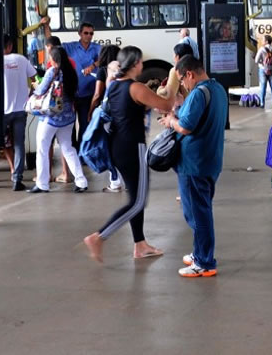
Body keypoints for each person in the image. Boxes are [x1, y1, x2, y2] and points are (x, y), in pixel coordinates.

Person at [83, 46, 175, 262]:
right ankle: (99, 237)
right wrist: (172, 79)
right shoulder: (136, 88)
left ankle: (140, 244)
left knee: (135, 195)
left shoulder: (114, 85)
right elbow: (167, 104)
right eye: (141, 61)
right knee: (138, 201)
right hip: (133, 147)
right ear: (135, 64)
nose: (142, 65)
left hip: (117, 147)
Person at [160, 55, 228, 278]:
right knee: (201, 208)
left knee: (197, 214)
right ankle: (200, 252)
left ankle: (204, 262)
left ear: (189, 74)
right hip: (210, 160)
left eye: (181, 79)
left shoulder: (199, 93)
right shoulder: (217, 89)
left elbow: (186, 127)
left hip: (194, 163)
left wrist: (171, 121)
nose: (182, 84)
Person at [0, 34, 36, 190]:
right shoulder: (22, 59)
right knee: (18, 144)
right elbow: (34, 78)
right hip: (20, 110)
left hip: (1, 111)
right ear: (10, 45)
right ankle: (17, 179)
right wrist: (30, 95)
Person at [28, 47, 89, 194]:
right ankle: (81, 181)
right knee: (68, 149)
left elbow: (40, 91)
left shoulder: (52, 72)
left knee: (42, 149)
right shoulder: (71, 73)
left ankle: (42, 184)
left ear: (53, 59)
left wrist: (35, 87)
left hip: (51, 118)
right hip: (68, 118)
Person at [63, 22, 102, 157]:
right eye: (86, 33)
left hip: (88, 94)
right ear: (79, 33)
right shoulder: (71, 47)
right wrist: (46, 27)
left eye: (91, 33)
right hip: (72, 94)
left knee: (85, 124)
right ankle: (72, 153)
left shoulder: (97, 48)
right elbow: (53, 47)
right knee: (70, 126)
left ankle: (83, 153)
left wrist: (93, 65)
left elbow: (106, 58)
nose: (89, 36)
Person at [89, 44, 124, 193]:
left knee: (109, 148)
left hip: (108, 114)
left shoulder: (103, 71)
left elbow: (97, 95)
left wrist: (90, 111)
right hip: (122, 113)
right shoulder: (124, 71)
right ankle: (127, 180)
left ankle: (115, 182)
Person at [255, 34, 272, 109]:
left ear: (266, 41)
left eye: (263, 40)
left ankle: (262, 103)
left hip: (263, 69)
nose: (261, 41)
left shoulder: (262, 49)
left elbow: (256, 60)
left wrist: (263, 63)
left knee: (263, 86)